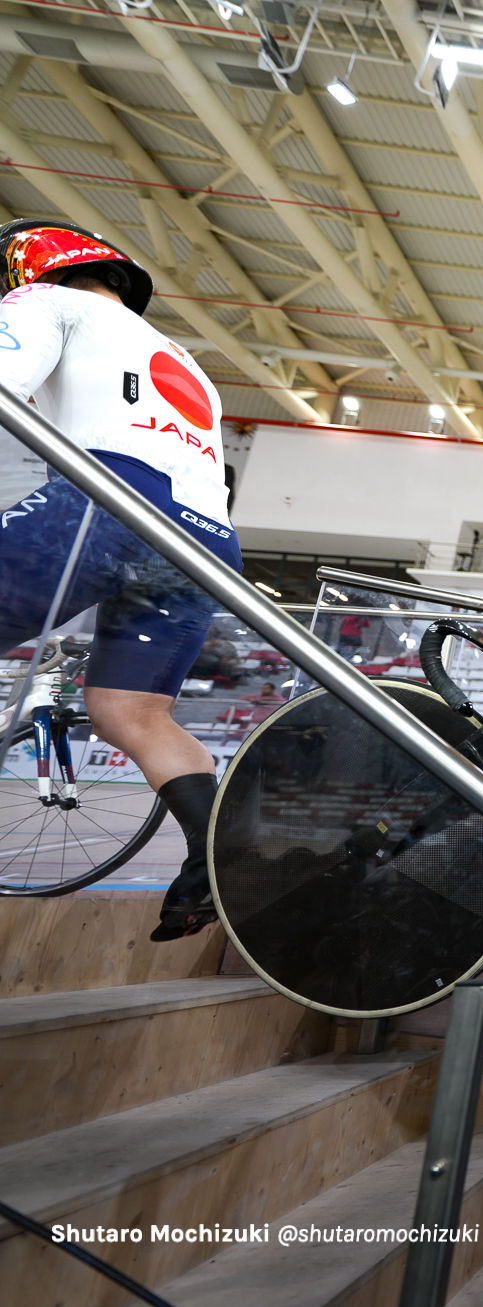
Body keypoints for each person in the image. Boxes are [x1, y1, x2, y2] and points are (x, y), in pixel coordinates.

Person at [0, 219, 243, 942]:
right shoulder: (184, 359)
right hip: (205, 537)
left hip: (104, 499)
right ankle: (215, 856)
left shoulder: (47, 305)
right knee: (129, 711)